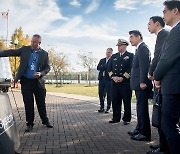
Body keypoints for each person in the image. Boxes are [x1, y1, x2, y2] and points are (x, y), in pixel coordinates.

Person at [0, 34, 53, 132]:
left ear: (39, 43)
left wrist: (41, 73)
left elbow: (48, 67)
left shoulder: (44, 54)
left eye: (34, 42)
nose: (32, 43)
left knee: (41, 103)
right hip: (26, 82)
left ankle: (45, 121)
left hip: (38, 83)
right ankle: (29, 124)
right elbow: (11, 52)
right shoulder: (25, 49)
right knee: (28, 104)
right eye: (31, 41)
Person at [154, 1, 180, 154]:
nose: (163, 15)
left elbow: (166, 58)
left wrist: (157, 76)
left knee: (169, 125)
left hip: (173, 85)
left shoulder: (177, 31)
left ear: (175, 11)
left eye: (164, 12)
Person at [147, 16, 169, 153]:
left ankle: (164, 148)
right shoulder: (163, 35)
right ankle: (162, 144)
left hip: (163, 80)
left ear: (156, 23)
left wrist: (151, 72)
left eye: (149, 24)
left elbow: (159, 56)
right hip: (161, 79)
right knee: (161, 114)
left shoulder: (164, 34)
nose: (148, 26)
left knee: (164, 116)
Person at [128, 30, 152, 141]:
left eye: (132, 37)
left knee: (142, 109)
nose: (130, 39)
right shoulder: (139, 48)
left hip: (141, 84)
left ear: (139, 37)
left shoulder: (143, 48)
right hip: (137, 84)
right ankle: (139, 129)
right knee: (139, 108)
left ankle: (145, 133)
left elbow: (144, 66)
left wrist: (142, 81)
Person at [107, 39, 134, 125]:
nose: (118, 47)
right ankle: (116, 118)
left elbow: (131, 68)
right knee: (115, 100)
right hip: (114, 83)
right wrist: (113, 77)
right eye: (118, 46)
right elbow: (109, 68)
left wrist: (123, 78)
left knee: (126, 101)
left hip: (125, 83)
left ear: (125, 46)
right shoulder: (114, 56)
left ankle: (126, 119)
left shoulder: (130, 55)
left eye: (120, 45)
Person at [97, 48, 113, 113]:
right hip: (101, 79)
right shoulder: (102, 60)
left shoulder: (112, 60)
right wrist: (105, 66)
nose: (107, 53)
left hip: (108, 79)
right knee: (101, 93)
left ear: (111, 53)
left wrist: (104, 67)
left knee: (109, 94)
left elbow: (111, 69)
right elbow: (98, 67)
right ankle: (102, 107)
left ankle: (108, 107)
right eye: (107, 52)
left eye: (109, 52)